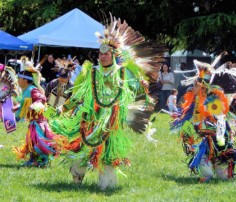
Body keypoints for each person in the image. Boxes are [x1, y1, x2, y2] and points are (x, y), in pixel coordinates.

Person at [50, 15, 164, 190]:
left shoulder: (124, 73)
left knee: (109, 153)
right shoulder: (91, 72)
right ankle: (77, 176)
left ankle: (106, 185)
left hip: (113, 120)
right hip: (90, 117)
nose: (102, 56)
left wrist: (143, 87)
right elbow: (78, 94)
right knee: (81, 148)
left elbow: (139, 93)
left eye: (106, 54)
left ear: (113, 55)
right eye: (100, 53)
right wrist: (63, 108)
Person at [13, 67, 65, 167]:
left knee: (38, 141)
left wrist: (33, 106)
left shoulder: (32, 89)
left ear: (25, 80)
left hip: (38, 122)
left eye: (19, 79)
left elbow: (42, 98)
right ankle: (33, 159)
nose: (18, 81)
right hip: (34, 121)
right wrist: (17, 107)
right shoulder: (26, 90)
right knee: (32, 141)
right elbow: (24, 103)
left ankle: (42, 161)